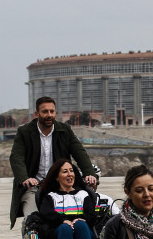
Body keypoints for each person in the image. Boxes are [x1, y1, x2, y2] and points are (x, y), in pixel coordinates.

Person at [9, 96, 97, 230]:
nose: (49, 115)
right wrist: (25, 178)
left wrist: (89, 174)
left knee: (76, 218)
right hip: (33, 187)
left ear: (55, 113)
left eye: (52, 111)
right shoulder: (24, 132)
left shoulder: (64, 130)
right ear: (37, 114)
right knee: (33, 221)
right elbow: (16, 158)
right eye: (45, 112)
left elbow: (80, 153)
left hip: (59, 187)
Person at [38, 159, 96, 239]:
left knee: (80, 224)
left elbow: (92, 215)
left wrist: (79, 218)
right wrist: (63, 220)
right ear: (57, 177)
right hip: (58, 230)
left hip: (82, 231)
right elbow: (46, 213)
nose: (70, 174)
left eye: (71, 171)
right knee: (65, 228)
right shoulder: (51, 196)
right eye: (65, 172)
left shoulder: (83, 194)